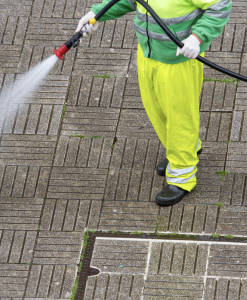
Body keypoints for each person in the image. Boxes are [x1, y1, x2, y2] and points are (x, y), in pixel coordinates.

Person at [76, 0, 231, 206]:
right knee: (156, 108)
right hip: (149, 53)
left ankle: (182, 177)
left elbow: (219, 6)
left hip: (179, 60)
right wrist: (97, 13)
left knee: (179, 117)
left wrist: (197, 37)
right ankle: (181, 149)